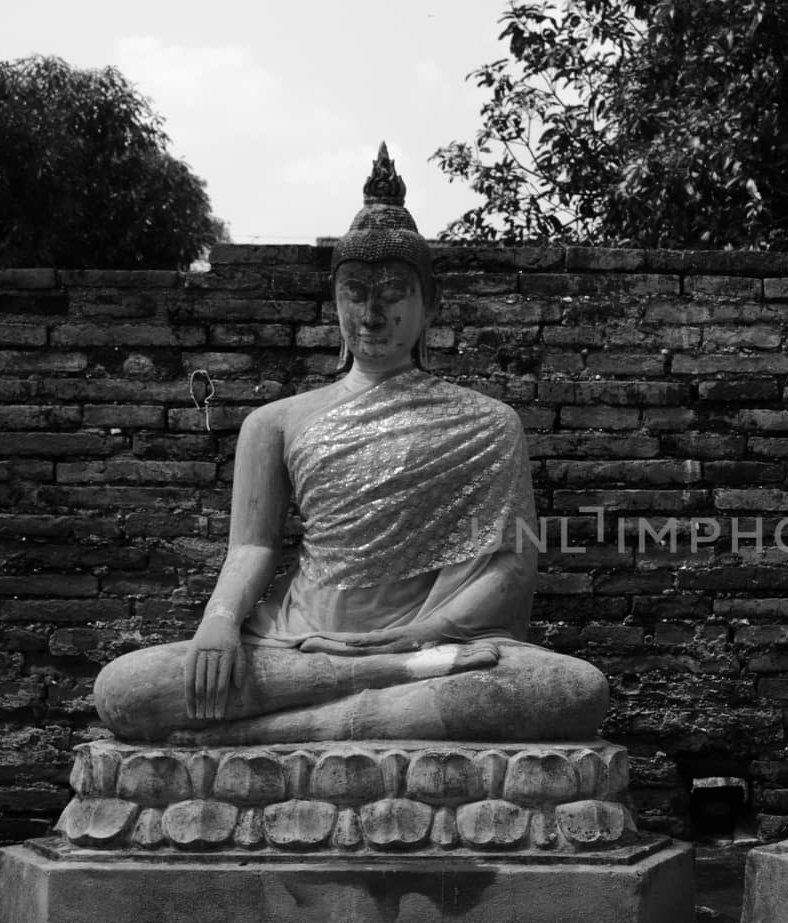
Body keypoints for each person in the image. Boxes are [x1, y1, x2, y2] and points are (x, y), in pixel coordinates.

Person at [94, 146, 607, 744]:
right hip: (299, 644)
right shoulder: (275, 423)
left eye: (393, 291)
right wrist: (219, 622)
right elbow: (252, 547)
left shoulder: (489, 423)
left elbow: (512, 565)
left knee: (569, 690)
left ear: (430, 305)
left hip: (435, 645)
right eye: (355, 290)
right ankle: (371, 684)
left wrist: (422, 635)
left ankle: (280, 731)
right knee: (124, 690)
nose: (371, 311)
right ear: (333, 301)